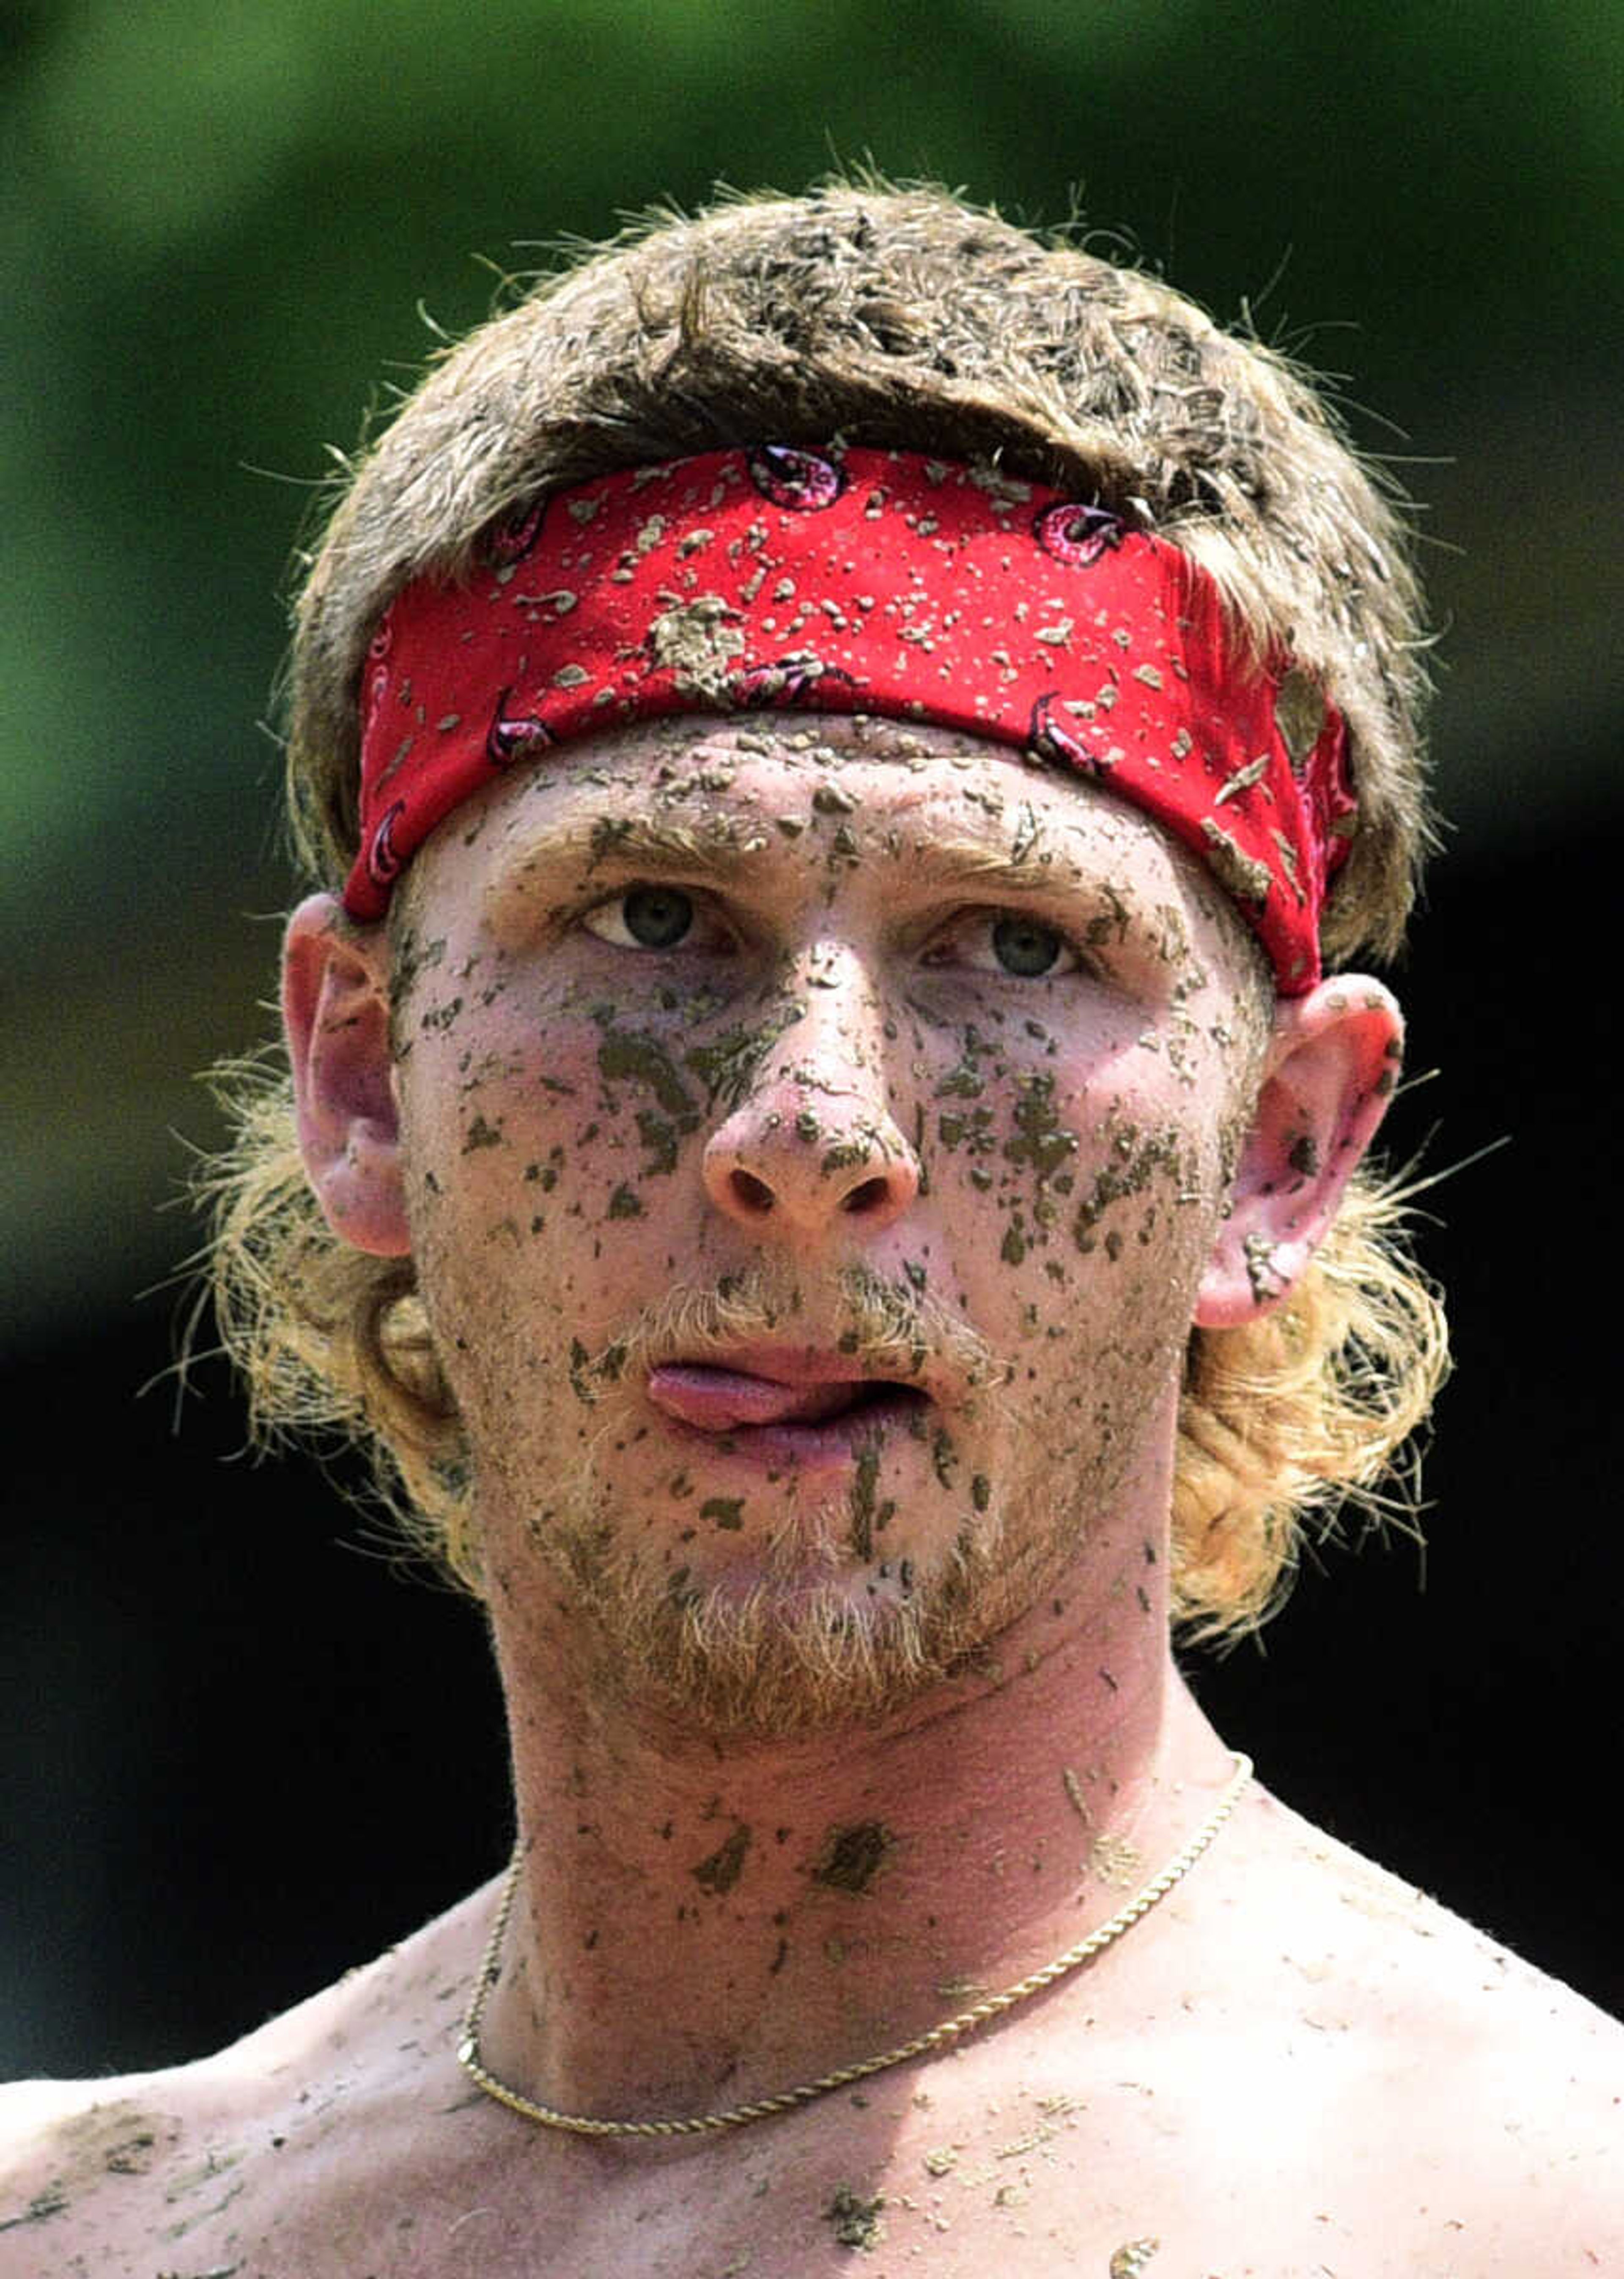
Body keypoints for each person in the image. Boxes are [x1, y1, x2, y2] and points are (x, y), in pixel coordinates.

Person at [2, 181, 1616, 2279]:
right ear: (365, 1078)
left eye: (1016, 946)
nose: (811, 1127)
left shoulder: (1520, 2215)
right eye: (655, 916)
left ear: (1279, 1149)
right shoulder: (95, 2232)